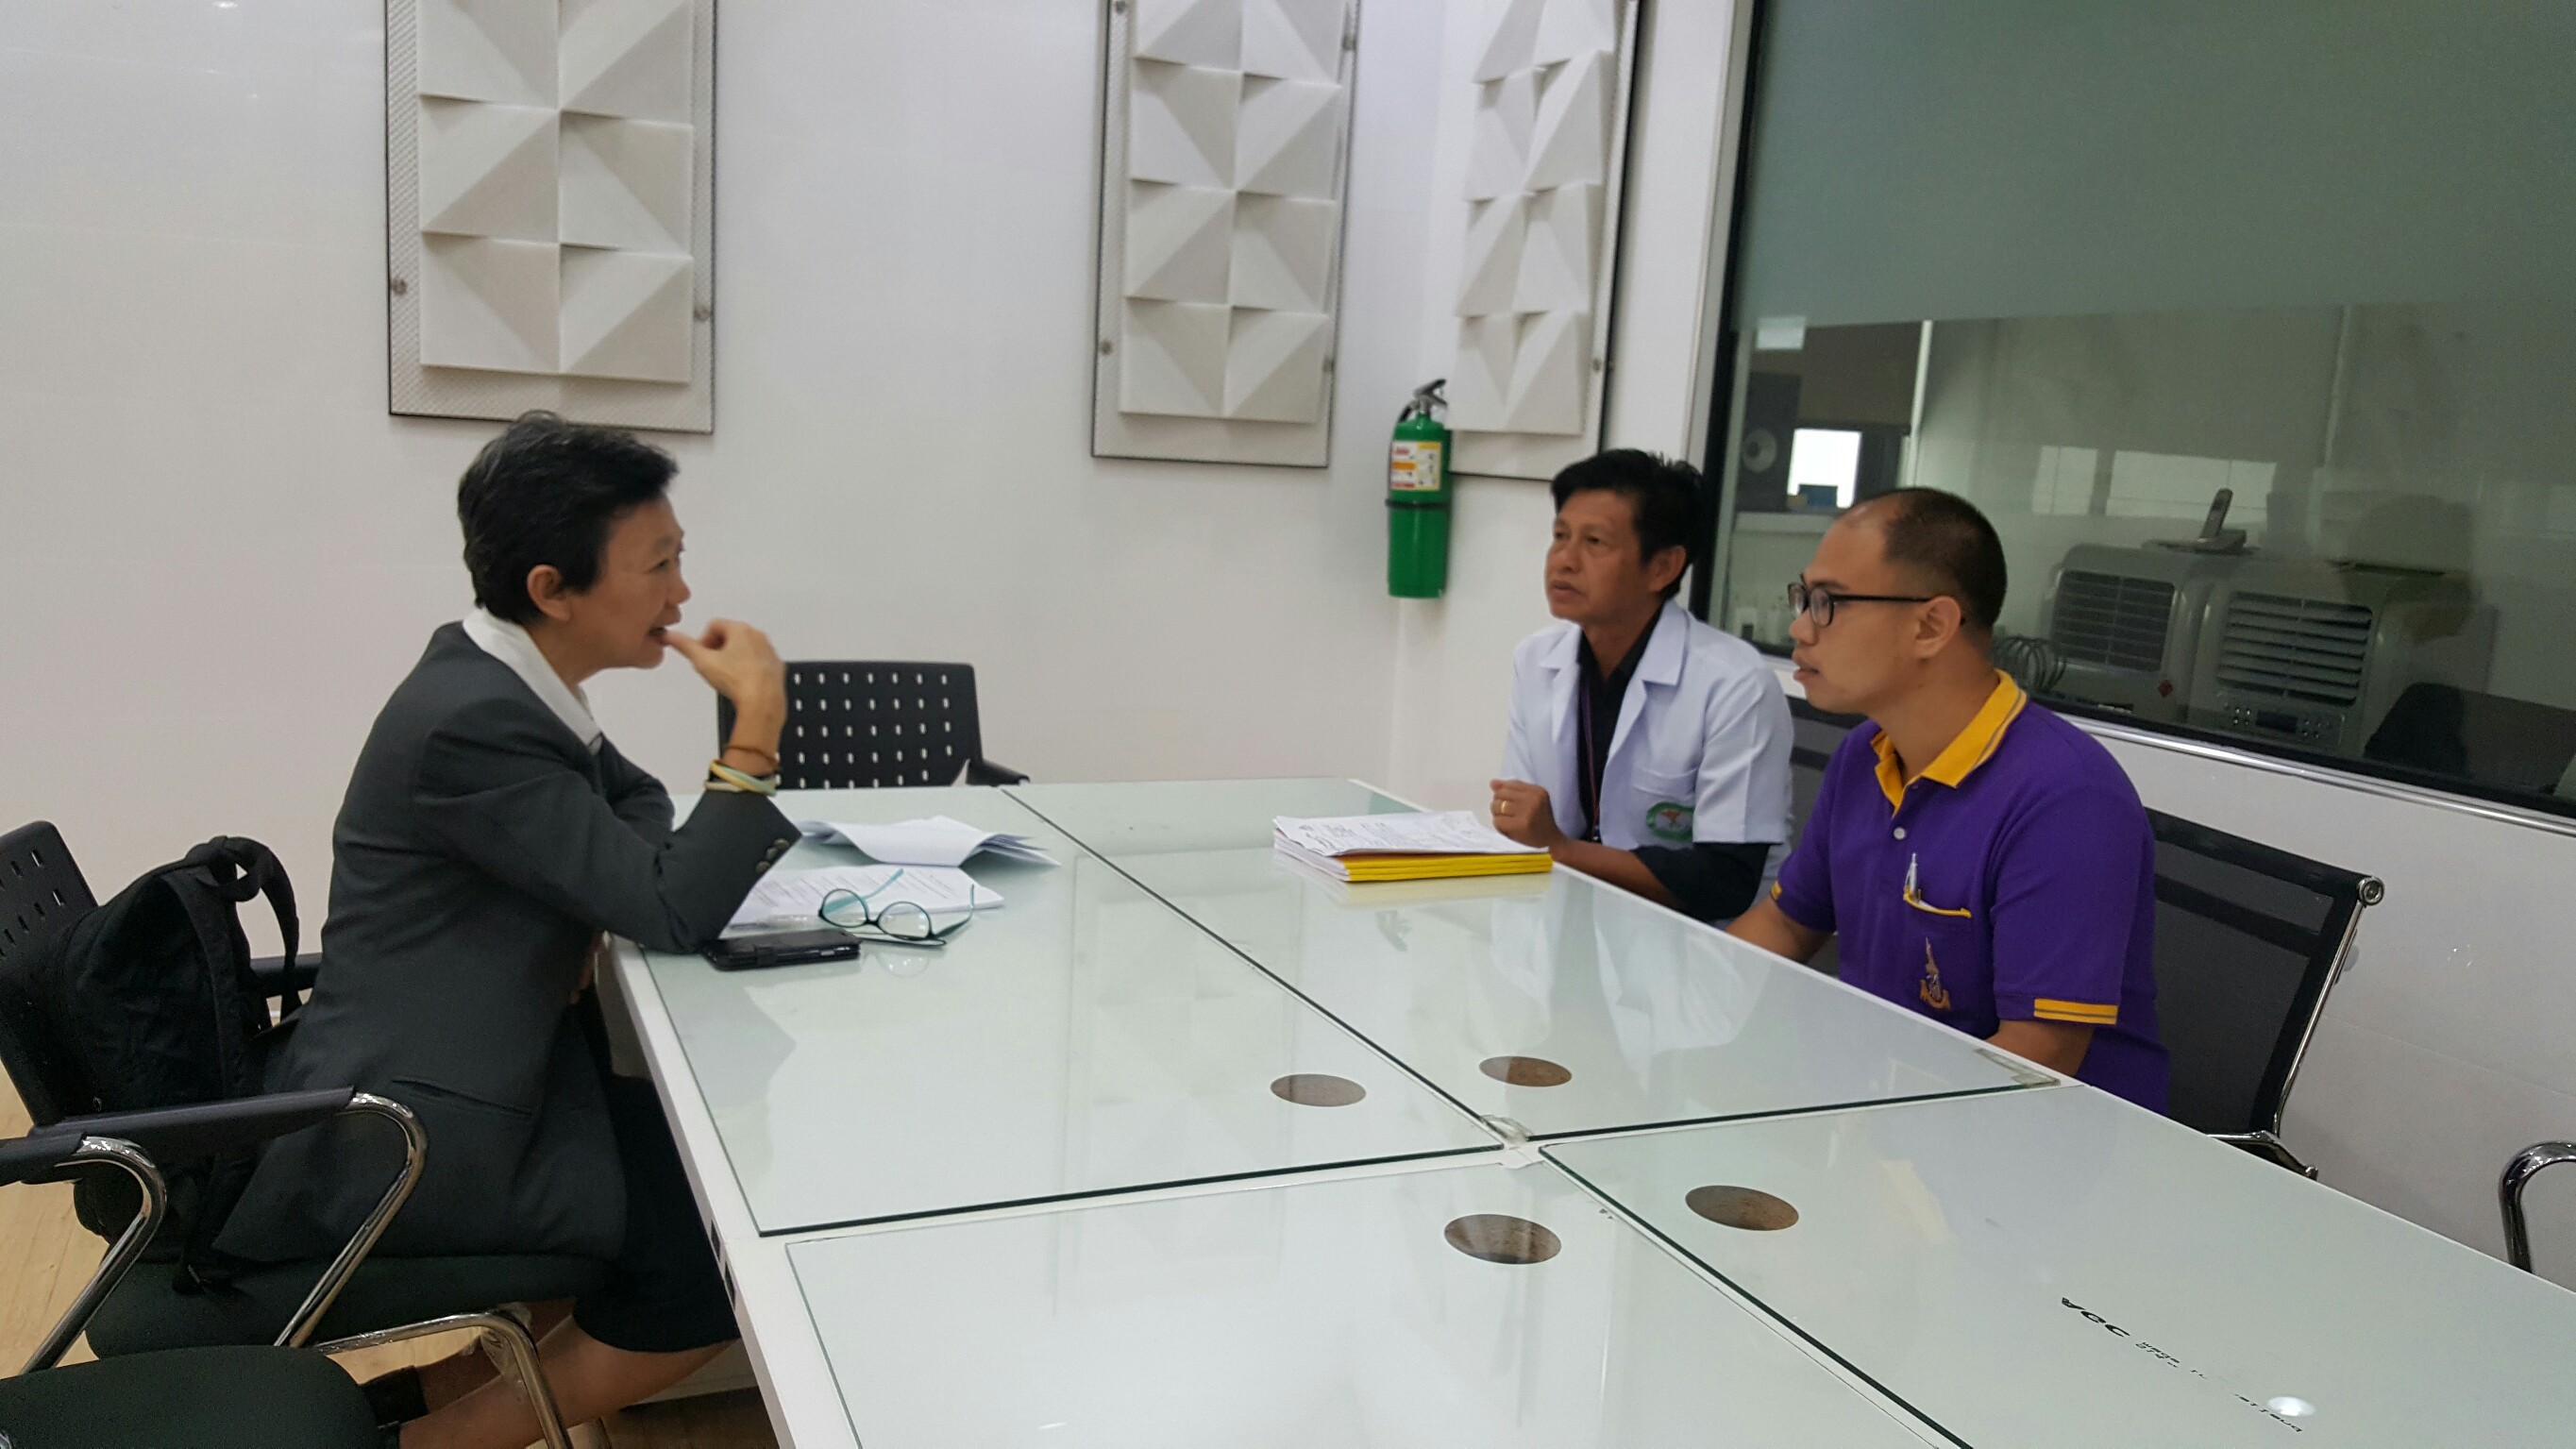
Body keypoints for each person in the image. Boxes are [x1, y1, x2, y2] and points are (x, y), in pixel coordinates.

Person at [217, 413, 804, 1448]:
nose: (681, 595)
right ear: (552, 588)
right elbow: (670, 905)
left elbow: (637, 810)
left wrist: (627, 879)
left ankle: (410, 1402)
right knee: (698, 1270)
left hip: (466, 1070)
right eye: (658, 565)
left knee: (690, 1168)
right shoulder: (474, 720)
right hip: (411, 1131)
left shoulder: (501, 680)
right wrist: (756, 726)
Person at [1727, 489, 2169, 1110]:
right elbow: (1785, 922)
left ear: (1931, 625)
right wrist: (1683, 1007)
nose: (1799, 627)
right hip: (1874, 1110)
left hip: (2034, 1142)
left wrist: (1857, 1131)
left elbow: (2033, 1061)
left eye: (1828, 603)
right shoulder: (1867, 754)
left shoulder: (2066, 799)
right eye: (1804, 598)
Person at [1490, 449, 1792, 923]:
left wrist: (1562, 848)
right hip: (1565, 920)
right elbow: (1521, 822)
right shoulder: (1536, 660)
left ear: (1663, 567)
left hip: (1694, 944)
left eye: (1594, 542)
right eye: (1560, 536)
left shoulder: (1735, 683)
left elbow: (1724, 881)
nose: (1563, 561)